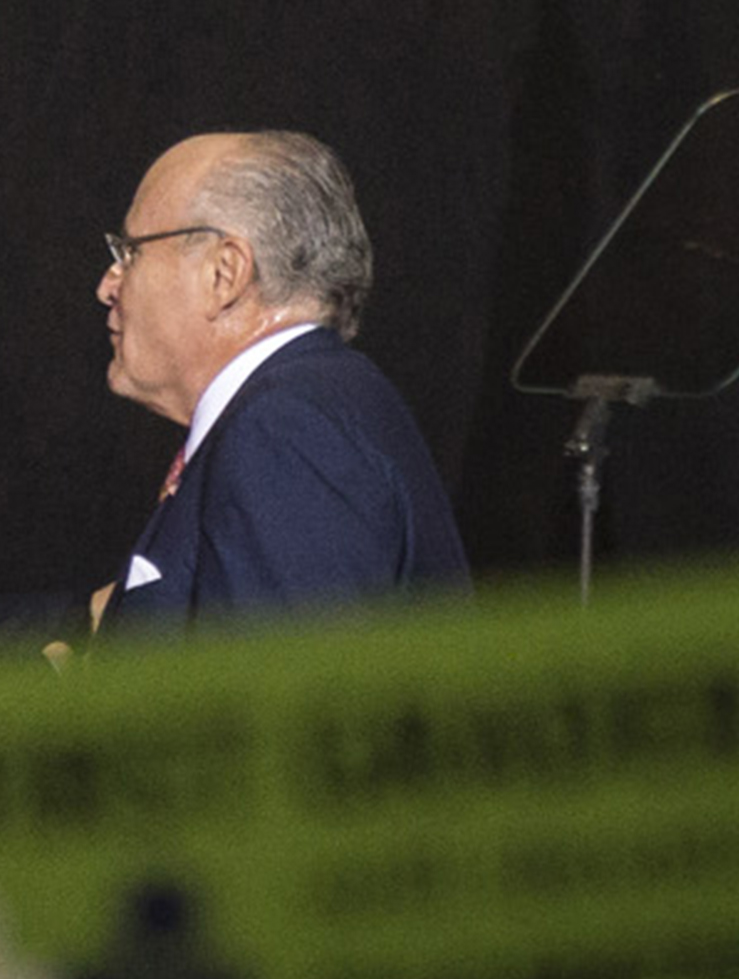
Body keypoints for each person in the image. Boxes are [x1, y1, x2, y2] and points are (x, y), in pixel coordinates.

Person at [94, 129, 469, 627]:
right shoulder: (312, 405)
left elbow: (286, 699)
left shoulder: (287, 432)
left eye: (130, 253)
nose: (107, 286)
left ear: (224, 274)